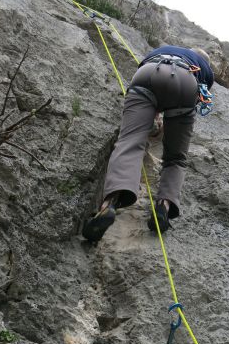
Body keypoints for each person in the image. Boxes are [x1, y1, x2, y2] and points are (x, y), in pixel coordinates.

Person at [83, 45, 214, 242]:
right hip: (187, 81)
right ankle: (163, 206)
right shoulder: (204, 66)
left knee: (129, 141)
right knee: (176, 158)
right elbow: (198, 96)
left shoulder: (165, 48)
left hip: (149, 73)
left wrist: (154, 115)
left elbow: (153, 85)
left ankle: (108, 205)